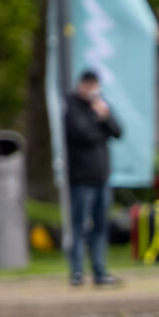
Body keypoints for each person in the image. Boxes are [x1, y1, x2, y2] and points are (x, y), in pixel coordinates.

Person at [61, 69, 122, 287]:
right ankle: (77, 273)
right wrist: (98, 118)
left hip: (101, 177)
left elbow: (117, 131)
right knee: (78, 226)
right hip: (80, 178)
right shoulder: (72, 107)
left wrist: (104, 116)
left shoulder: (100, 105)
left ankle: (99, 272)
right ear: (82, 85)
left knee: (100, 227)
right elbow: (84, 135)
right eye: (89, 86)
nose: (92, 91)